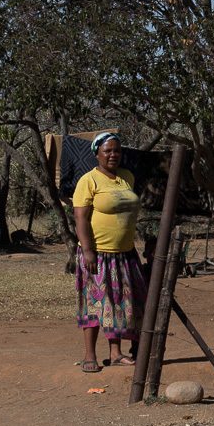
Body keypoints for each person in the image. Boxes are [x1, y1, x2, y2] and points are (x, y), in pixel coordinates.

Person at [73, 132, 146, 372]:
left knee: (120, 303)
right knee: (95, 303)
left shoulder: (127, 177)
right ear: (97, 154)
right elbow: (80, 218)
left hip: (125, 253)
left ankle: (116, 353)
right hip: (97, 254)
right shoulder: (89, 180)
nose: (113, 155)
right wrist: (87, 250)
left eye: (117, 150)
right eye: (107, 151)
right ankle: (89, 355)